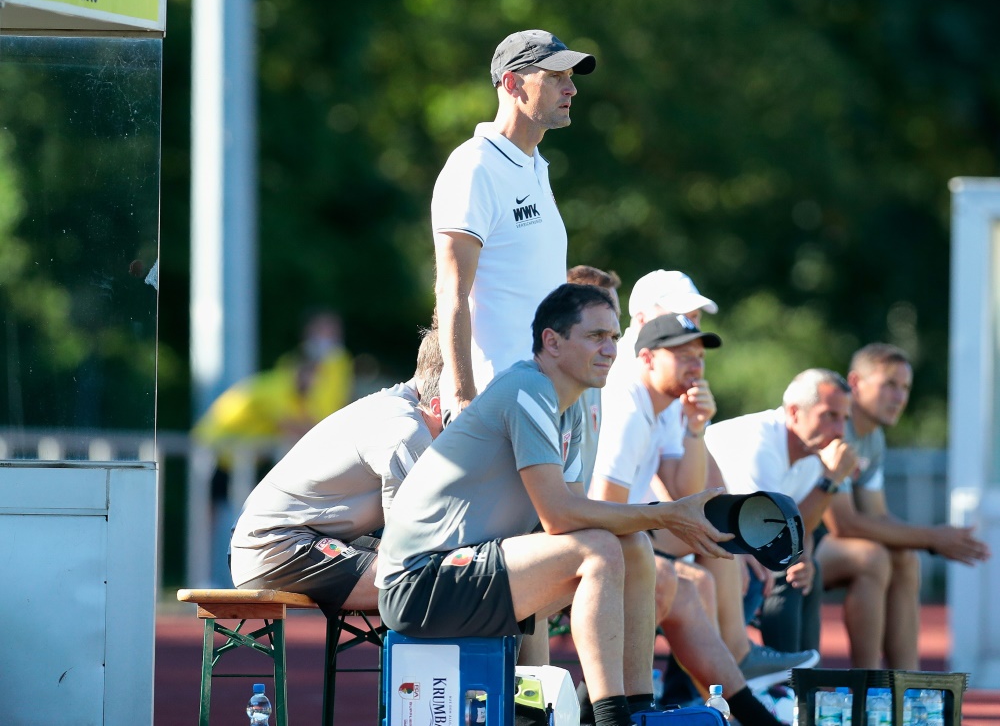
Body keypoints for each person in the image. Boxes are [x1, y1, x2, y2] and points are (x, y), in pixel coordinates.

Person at [377, 284, 786, 726]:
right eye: (596, 337)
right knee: (600, 550)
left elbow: (570, 514)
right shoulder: (527, 387)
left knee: (631, 546)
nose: (611, 349)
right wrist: (667, 514)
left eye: (613, 337)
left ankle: (637, 709)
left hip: (469, 567)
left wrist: (662, 517)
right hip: (420, 580)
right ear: (552, 341)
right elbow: (560, 516)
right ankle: (612, 720)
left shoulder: (566, 405)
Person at [591, 313, 817, 703]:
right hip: (601, 537)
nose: (695, 365)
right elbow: (604, 506)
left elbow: (688, 489)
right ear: (646, 359)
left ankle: (715, 696)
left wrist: (696, 427)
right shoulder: (629, 404)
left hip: (629, 531)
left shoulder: (664, 408)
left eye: (699, 356)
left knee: (707, 570)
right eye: (681, 354)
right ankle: (735, 674)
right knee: (718, 537)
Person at [432, 29, 595, 422]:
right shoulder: (475, 166)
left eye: (570, 77)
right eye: (555, 76)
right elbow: (452, 289)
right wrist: (463, 399)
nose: (570, 88)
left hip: (543, 395)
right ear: (512, 83)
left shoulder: (535, 166)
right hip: (497, 400)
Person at [228, 329, 443, 616]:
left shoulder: (397, 401)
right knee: (429, 579)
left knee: (446, 568)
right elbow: (405, 546)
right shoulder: (406, 429)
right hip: (275, 546)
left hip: (284, 537)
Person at [816, 344, 991, 668]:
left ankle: (904, 689)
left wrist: (929, 541)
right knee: (873, 557)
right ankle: (867, 689)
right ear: (855, 383)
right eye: (889, 385)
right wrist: (932, 537)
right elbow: (844, 524)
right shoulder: (836, 426)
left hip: (818, 548)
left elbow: (876, 516)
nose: (899, 397)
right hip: (779, 550)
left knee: (906, 558)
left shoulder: (873, 438)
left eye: (905, 388)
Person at [194, 309, 356, 586]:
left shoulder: (296, 391)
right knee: (213, 518)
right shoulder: (280, 389)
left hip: (240, 456)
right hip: (216, 450)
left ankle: (226, 576)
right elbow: (300, 427)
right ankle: (205, 577)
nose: (316, 383)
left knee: (239, 516)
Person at [705, 369, 859, 657]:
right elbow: (773, 532)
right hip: (697, 541)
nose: (840, 431)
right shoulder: (760, 444)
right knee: (780, 571)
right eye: (829, 416)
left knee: (805, 571)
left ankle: (804, 684)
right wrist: (831, 480)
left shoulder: (811, 452)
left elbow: (803, 527)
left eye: (845, 419)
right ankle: (783, 682)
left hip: (737, 542)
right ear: (794, 413)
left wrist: (807, 558)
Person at [566, 264, 622, 493]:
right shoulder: (550, 389)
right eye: (599, 331)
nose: (610, 348)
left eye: (616, 319)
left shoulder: (595, 380)